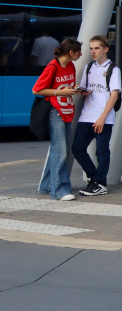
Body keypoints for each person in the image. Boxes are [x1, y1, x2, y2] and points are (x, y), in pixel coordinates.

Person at [33, 38, 82, 201]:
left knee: (60, 150)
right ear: (71, 53)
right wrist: (59, 93)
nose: (81, 55)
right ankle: (59, 190)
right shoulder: (52, 66)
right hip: (56, 112)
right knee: (60, 151)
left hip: (67, 110)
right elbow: (37, 89)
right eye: (79, 52)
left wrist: (76, 90)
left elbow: (67, 87)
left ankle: (47, 185)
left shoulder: (70, 66)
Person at [72, 35, 120, 196]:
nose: (93, 51)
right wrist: (82, 91)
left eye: (97, 48)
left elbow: (114, 96)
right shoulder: (89, 67)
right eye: (91, 48)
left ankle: (100, 184)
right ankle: (95, 179)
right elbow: (86, 89)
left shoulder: (114, 69)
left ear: (105, 49)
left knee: (102, 152)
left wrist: (102, 118)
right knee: (77, 148)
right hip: (86, 116)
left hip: (104, 118)